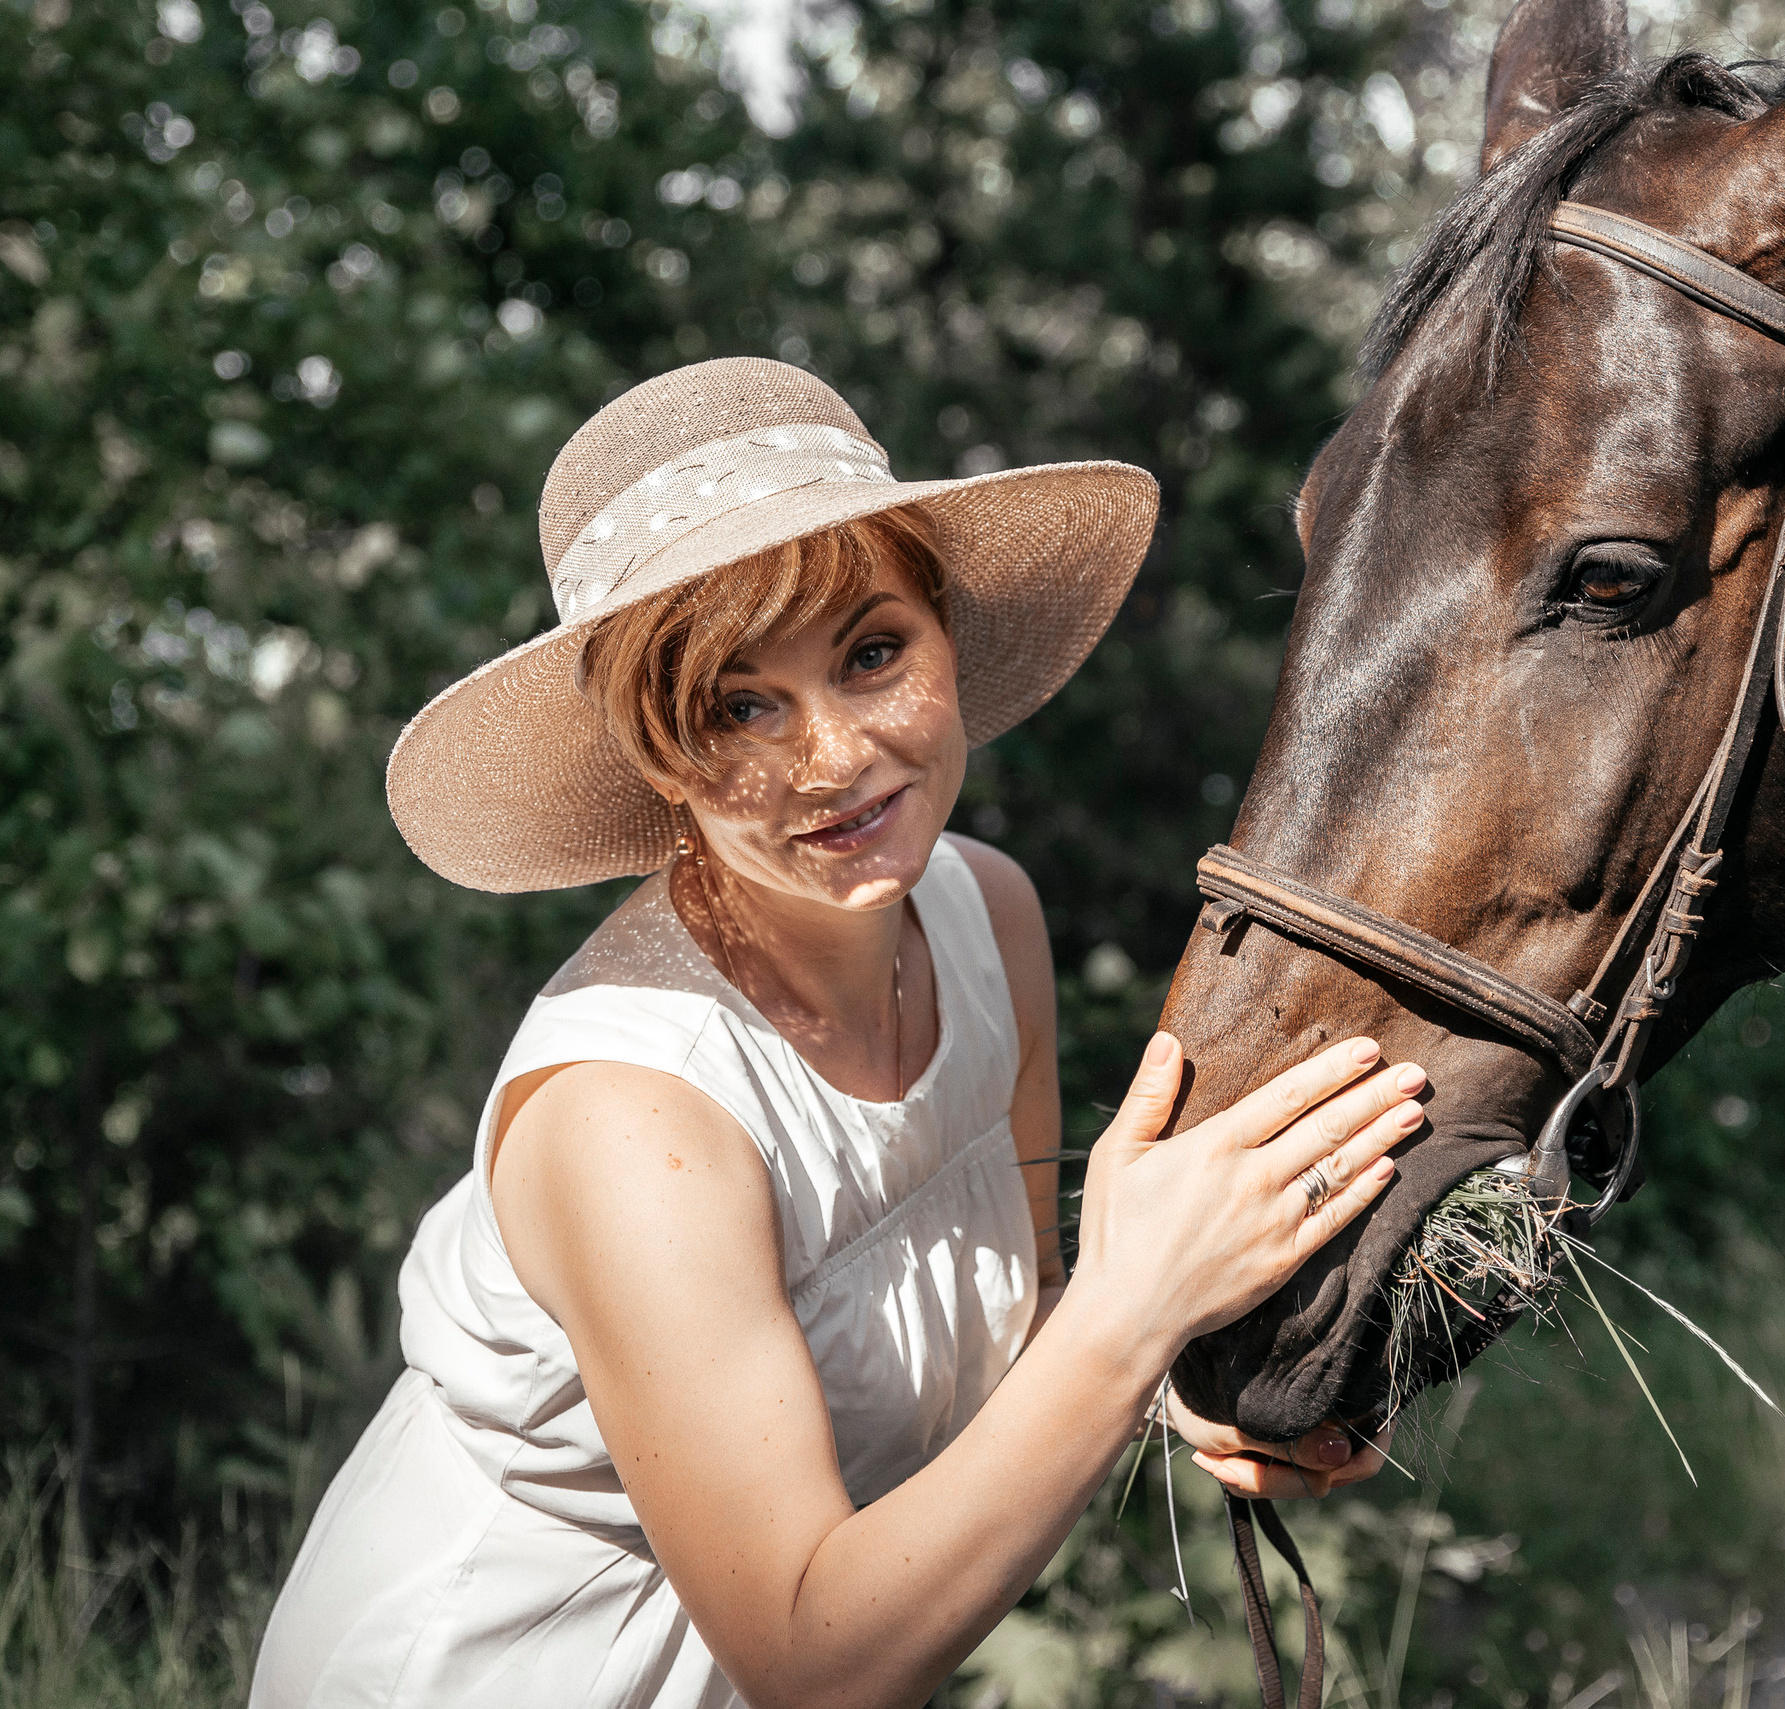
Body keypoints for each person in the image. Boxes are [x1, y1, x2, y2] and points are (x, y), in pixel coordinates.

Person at [251, 358, 1419, 1708]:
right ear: (655, 755)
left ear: (948, 633)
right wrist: (1133, 1306)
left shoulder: (989, 916)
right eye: (738, 705)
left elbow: (1018, 1332)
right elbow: (814, 1659)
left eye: (873, 654)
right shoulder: (634, 1115)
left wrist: (1188, 1375)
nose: (832, 758)